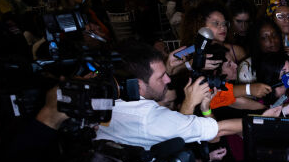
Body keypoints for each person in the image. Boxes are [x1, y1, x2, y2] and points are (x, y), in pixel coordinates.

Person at [94, 41, 248, 150]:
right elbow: (217, 132)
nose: (168, 79)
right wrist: (266, 119)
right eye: (161, 77)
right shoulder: (149, 118)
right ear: (138, 85)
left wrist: (169, 67)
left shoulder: (99, 95)